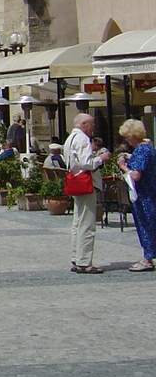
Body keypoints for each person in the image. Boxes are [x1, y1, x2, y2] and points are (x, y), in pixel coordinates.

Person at [65, 113, 110, 274]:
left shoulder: (70, 138)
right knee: (87, 223)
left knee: (78, 221)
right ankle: (84, 261)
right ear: (84, 124)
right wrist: (101, 159)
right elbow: (87, 163)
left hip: (74, 180)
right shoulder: (82, 139)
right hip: (85, 182)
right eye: (91, 125)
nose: (93, 129)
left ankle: (77, 257)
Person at [117, 119, 154, 272]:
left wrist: (123, 166)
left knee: (146, 225)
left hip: (144, 195)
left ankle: (147, 258)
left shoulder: (141, 150)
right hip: (151, 191)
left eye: (127, 137)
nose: (127, 141)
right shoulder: (150, 148)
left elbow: (136, 175)